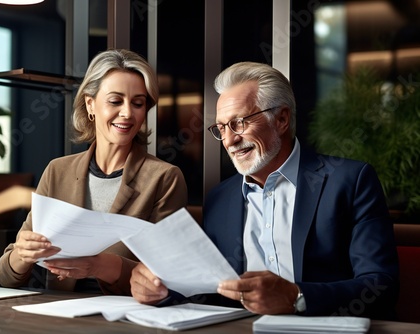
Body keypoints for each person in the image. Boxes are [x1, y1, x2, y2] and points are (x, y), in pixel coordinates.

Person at [130, 61, 399, 320]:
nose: (229, 140)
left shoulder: (350, 181)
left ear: (281, 119)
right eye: (222, 128)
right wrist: (161, 290)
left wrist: (296, 297)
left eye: (240, 123)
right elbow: (212, 290)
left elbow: (380, 285)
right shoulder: (220, 199)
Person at [0, 49, 188, 295]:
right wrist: (22, 255)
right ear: (90, 104)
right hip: (61, 311)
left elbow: (169, 278)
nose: (128, 113)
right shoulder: (57, 171)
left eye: (138, 103)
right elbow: (5, 276)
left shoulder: (164, 178)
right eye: (115, 101)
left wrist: (101, 266)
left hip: (128, 316)